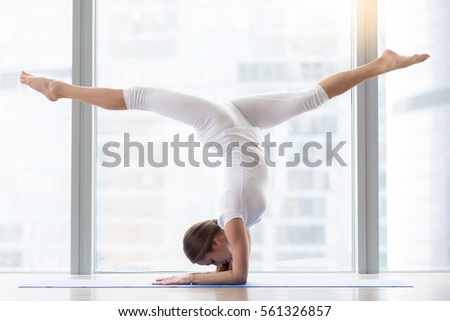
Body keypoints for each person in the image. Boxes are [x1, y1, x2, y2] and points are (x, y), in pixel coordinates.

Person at [20, 49, 429, 285]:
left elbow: (238, 278)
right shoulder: (237, 222)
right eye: (210, 267)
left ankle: (60, 89)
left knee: (140, 96)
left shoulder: (232, 218)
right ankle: (381, 64)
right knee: (310, 98)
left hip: (218, 124)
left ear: (214, 243)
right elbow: (239, 276)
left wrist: (189, 279)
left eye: (210, 262)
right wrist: (197, 276)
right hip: (243, 123)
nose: (218, 266)